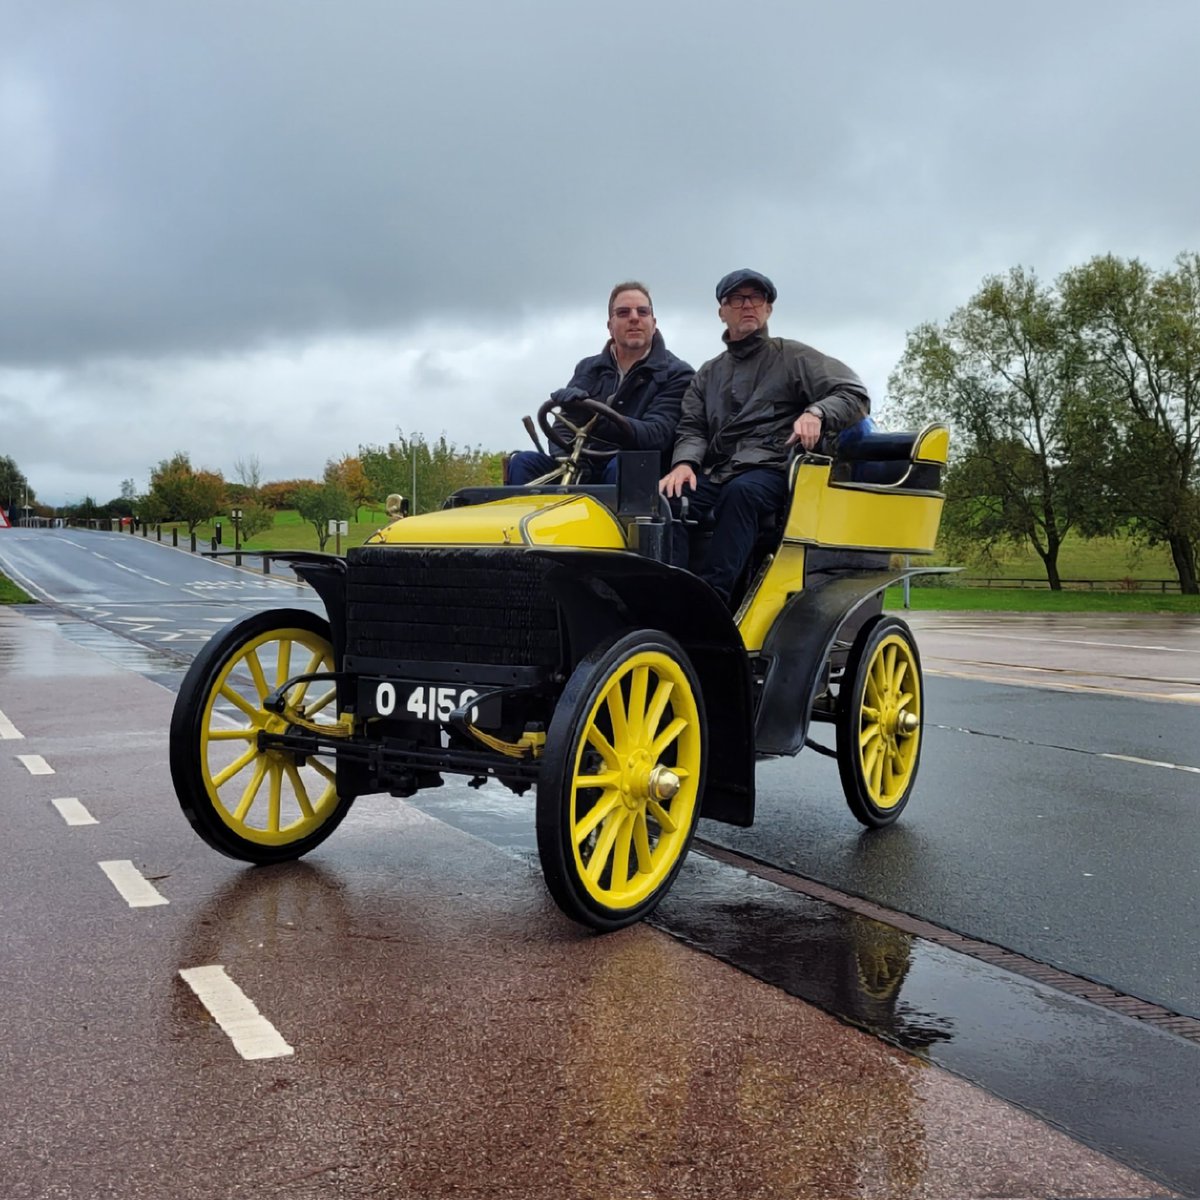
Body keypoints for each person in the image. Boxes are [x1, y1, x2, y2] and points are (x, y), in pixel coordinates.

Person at [659, 268, 871, 604]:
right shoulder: (708, 373)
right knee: (666, 500)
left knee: (741, 493)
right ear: (721, 311)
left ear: (768, 309)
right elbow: (693, 427)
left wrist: (816, 412)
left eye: (756, 298)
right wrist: (684, 463)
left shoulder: (793, 357)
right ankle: (670, 594)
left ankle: (711, 600)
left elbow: (853, 394)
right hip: (720, 471)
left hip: (774, 470)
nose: (748, 305)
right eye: (738, 299)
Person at [507, 281, 694, 485]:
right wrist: (568, 458)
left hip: (637, 473)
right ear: (610, 326)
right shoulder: (588, 368)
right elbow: (563, 426)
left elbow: (656, 435)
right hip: (584, 466)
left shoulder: (677, 373)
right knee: (522, 463)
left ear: (653, 322)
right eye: (623, 313)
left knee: (624, 465)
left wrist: (592, 417)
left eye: (642, 312)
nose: (634, 318)